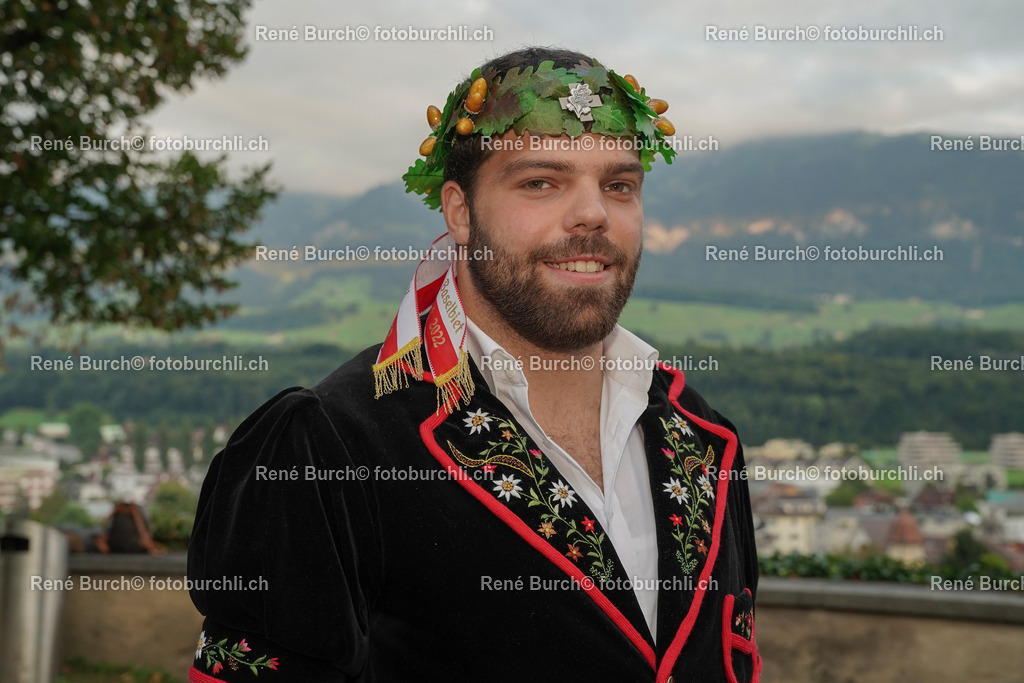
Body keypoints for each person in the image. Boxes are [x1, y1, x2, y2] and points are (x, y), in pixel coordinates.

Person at [187, 46, 761, 683]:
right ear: (459, 211)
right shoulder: (331, 445)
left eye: (619, 185)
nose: (594, 214)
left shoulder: (703, 440)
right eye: (540, 183)